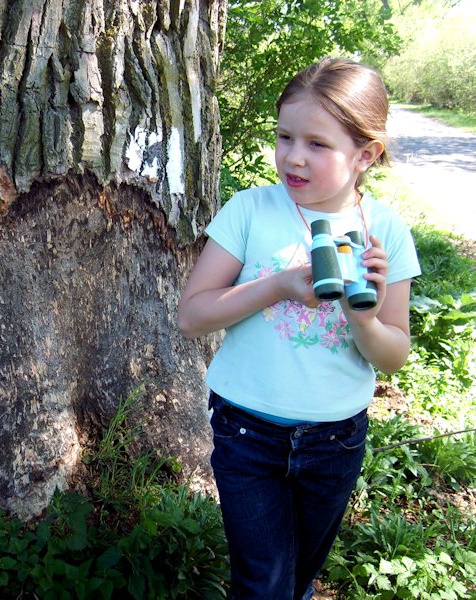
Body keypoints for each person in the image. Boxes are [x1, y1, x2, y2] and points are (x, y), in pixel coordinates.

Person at [177, 57, 421, 599]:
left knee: (298, 578)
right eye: (285, 136)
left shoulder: (386, 233)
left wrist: (362, 317)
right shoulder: (250, 211)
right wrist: (278, 286)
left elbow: (392, 355)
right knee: (263, 582)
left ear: (365, 155)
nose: (293, 157)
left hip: (335, 438)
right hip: (246, 431)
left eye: (317, 143)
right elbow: (191, 316)